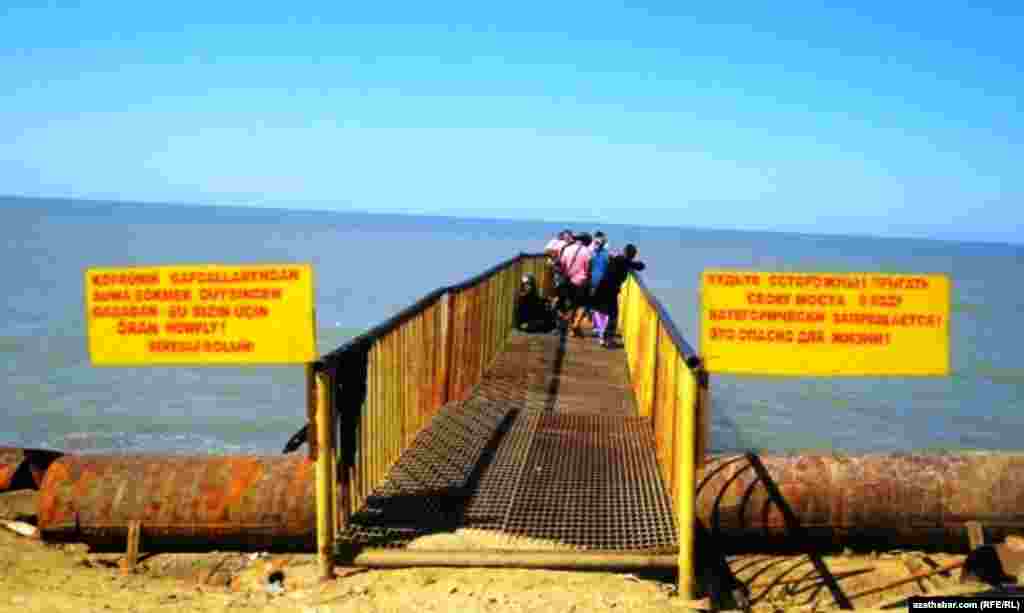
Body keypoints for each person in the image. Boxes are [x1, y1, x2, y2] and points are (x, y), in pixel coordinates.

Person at [591, 243, 645, 347]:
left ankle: (604, 337)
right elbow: (640, 266)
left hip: (603, 287)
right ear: (632, 255)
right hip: (609, 290)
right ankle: (607, 339)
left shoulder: (619, 259)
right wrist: (633, 263)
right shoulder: (623, 261)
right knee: (613, 315)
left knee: (603, 312)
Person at [559, 232, 593, 337]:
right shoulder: (587, 252)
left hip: (568, 281)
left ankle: (571, 330)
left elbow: (562, 265)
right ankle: (576, 324)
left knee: (571, 305)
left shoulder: (567, 249)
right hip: (581, 282)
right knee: (585, 305)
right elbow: (588, 269)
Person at [588, 231, 610, 333]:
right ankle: (600, 327)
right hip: (601, 282)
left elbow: (588, 267)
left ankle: (597, 326)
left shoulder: (591, 254)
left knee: (594, 305)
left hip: (594, 281)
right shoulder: (607, 255)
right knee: (600, 306)